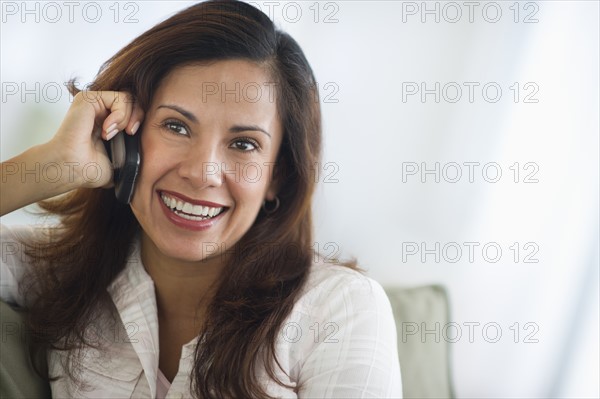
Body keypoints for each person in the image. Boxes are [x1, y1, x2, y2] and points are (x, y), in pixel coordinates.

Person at [0, 0, 402, 397]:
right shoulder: (65, 270)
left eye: (243, 144)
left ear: (277, 176)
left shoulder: (340, 309)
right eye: (176, 126)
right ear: (123, 140)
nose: (202, 172)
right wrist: (50, 164)